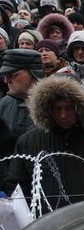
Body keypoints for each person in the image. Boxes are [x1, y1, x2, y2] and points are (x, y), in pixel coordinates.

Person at [3, 75, 84, 212]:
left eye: (69, 108)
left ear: (81, 107)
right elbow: (17, 187)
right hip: (50, 223)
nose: (63, 115)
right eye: (57, 109)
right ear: (47, 109)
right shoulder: (29, 142)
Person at [0, 49, 44, 184]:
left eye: (13, 74)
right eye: (4, 75)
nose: (7, 80)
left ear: (33, 73)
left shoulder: (55, 106)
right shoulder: (3, 104)